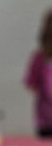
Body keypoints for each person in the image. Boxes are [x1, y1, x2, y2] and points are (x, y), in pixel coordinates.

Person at [24, 9, 52, 137]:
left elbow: (31, 84)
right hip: (46, 118)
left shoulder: (39, 57)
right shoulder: (40, 58)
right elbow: (31, 83)